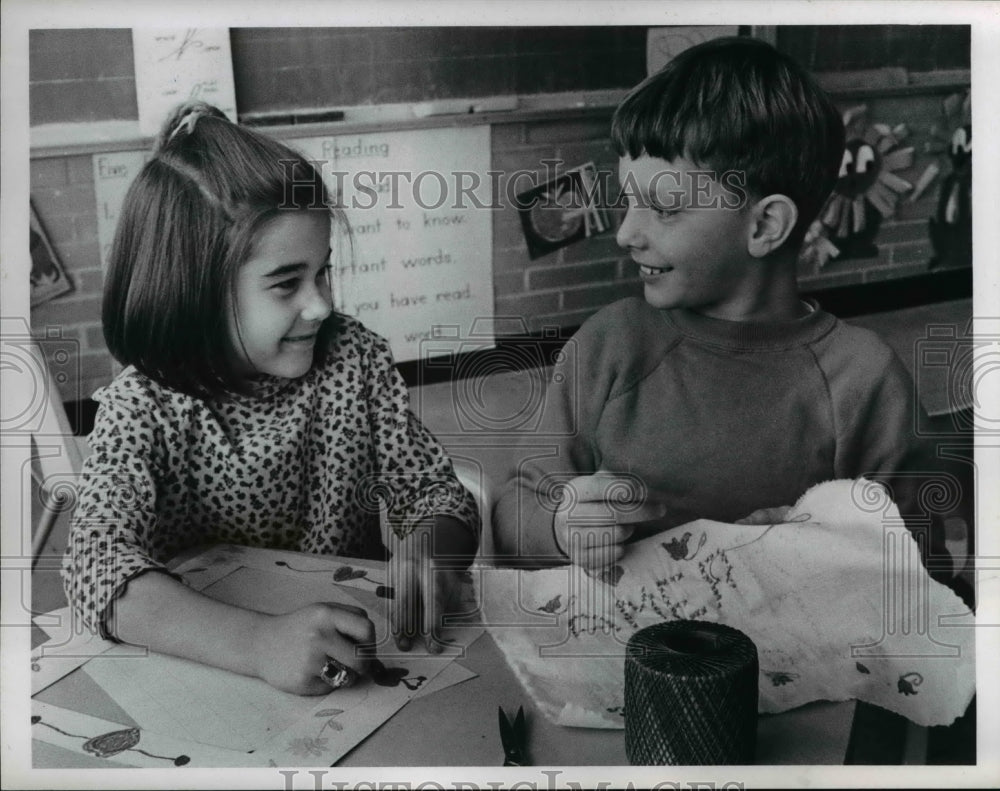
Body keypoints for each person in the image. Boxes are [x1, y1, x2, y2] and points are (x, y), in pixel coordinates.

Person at [62, 102, 479, 695]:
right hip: (209, 677)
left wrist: (430, 552)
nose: (322, 305)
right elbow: (94, 567)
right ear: (192, 293)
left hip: (354, 664)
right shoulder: (143, 405)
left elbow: (435, 493)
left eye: (324, 272)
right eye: (287, 283)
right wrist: (257, 644)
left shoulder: (354, 360)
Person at [492, 36, 941, 573]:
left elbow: (923, 574)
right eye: (628, 200)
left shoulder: (864, 381)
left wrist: (824, 553)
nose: (626, 234)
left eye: (663, 207)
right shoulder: (609, 345)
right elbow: (511, 514)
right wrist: (562, 529)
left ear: (764, 225)